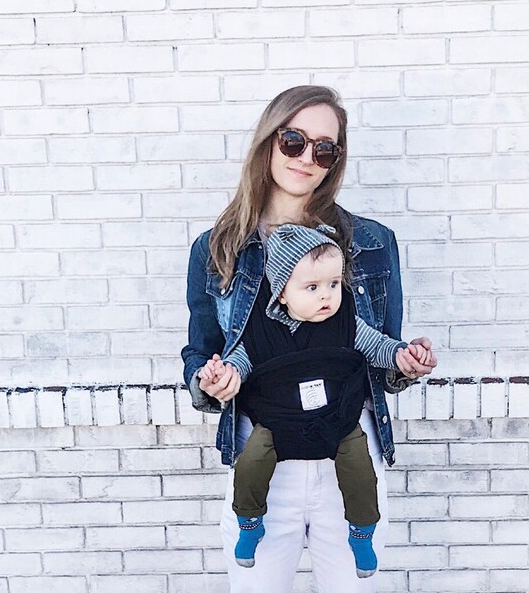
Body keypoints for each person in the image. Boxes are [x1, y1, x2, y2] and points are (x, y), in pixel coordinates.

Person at [181, 85, 438, 592]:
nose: (306, 158)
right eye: (294, 140)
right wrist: (211, 382)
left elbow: (381, 351)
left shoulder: (372, 243)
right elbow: (201, 352)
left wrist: (405, 365)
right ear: (268, 140)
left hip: (347, 449)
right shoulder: (217, 248)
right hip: (262, 457)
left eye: (325, 149)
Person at [198, 223, 433, 577]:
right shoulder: (259, 331)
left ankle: (361, 532)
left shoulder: (346, 323)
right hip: (277, 423)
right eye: (312, 287)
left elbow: (379, 346)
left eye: (334, 284)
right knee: (251, 462)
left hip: (336, 421)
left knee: (359, 466)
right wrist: (221, 375)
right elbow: (239, 363)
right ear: (281, 292)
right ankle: (249, 523)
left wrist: (402, 355)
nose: (327, 296)